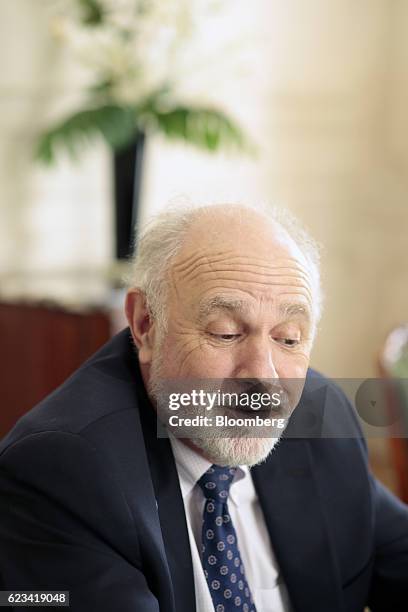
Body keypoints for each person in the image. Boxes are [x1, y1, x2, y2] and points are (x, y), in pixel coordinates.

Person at [0, 203, 407, 612]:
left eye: (288, 338)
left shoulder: (318, 415)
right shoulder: (65, 468)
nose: (264, 375)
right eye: (225, 333)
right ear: (145, 324)